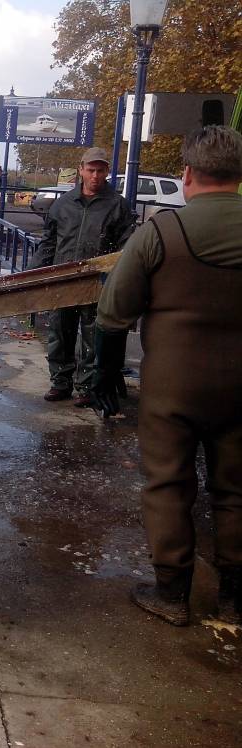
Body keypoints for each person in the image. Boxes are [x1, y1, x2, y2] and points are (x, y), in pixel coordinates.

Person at [93, 126, 242, 626]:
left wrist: (106, 375)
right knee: (235, 488)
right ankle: (234, 599)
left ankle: (172, 594)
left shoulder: (161, 231)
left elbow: (114, 311)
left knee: (168, 484)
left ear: (187, 174)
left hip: (173, 384)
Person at [33, 146, 135, 406]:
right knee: (60, 333)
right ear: (81, 170)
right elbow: (49, 242)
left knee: (92, 335)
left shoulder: (118, 206)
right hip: (63, 279)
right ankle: (60, 382)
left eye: (101, 170)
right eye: (91, 170)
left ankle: (86, 386)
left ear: (107, 172)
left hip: (97, 282)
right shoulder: (63, 205)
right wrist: (35, 272)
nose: (96, 175)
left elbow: (127, 245)